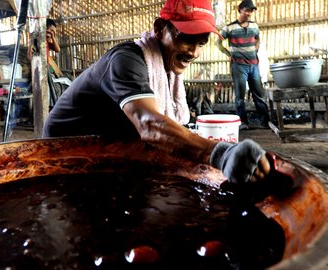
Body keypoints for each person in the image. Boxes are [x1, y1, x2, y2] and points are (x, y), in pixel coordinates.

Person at [43, 0, 271, 186]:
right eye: (186, 38)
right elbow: (150, 125)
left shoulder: (167, 67)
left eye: (201, 43)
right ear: (160, 28)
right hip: (64, 151)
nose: (194, 52)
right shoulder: (127, 60)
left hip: (107, 145)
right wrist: (221, 153)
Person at [217, 0, 270, 130]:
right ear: (239, 10)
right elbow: (218, 43)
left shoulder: (254, 26)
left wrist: (255, 50)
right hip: (239, 66)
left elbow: (257, 39)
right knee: (240, 96)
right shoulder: (229, 28)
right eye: (247, 10)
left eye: (251, 11)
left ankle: (265, 121)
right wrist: (229, 54)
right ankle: (243, 122)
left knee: (259, 94)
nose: (249, 13)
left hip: (254, 65)